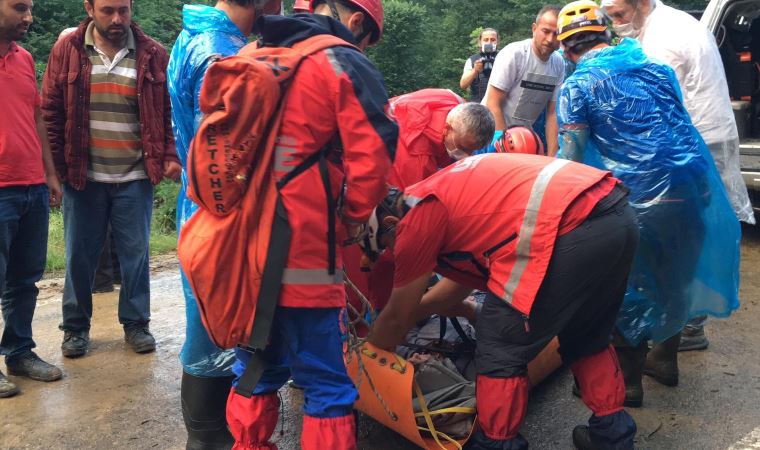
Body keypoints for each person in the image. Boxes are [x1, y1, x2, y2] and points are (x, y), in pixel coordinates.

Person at [366, 154, 639, 450]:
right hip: (615, 212)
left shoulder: (416, 220)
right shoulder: (431, 195)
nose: (394, 254)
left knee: (500, 347)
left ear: (391, 223)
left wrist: (367, 357)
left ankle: (496, 444)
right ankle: (612, 437)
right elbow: (457, 286)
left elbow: (396, 318)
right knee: (587, 333)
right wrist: (449, 310)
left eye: (385, 248)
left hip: (568, 226)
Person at [219, 1, 397, 448]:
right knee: (326, 384)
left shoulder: (248, 56)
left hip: (241, 252)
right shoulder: (341, 59)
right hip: (305, 254)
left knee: (254, 368)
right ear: (357, 22)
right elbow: (374, 155)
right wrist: (355, 219)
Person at [555, 0, 741, 407]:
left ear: (568, 50)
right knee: (674, 276)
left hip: (641, 198)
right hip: (692, 186)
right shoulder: (655, 69)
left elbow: (570, 158)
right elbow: (679, 124)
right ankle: (665, 360)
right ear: (606, 33)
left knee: (627, 285)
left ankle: (629, 381)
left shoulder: (577, 85)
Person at [601, 0, 755, 353]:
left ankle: (685, 326)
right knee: (690, 233)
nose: (618, 24)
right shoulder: (670, 23)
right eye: (611, 19)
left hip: (693, 143)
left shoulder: (662, 39)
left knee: (677, 237)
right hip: (703, 136)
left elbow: (651, 108)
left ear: (641, 3)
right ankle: (686, 323)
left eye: (620, 15)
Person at [42, 0, 181, 359]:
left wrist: (168, 155)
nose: (117, 19)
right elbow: (51, 112)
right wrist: (54, 170)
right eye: (108, 11)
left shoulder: (152, 53)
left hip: (134, 175)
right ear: (89, 8)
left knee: (135, 256)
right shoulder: (68, 49)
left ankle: (136, 324)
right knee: (78, 257)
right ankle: (74, 329)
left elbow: (167, 112)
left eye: (124, 10)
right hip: (82, 176)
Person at [168, 1, 279, 448]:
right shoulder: (222, 54)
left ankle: (211, 433)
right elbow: (228, 156)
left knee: (210, 323)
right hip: (222, 210)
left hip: (200, 202)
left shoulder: (197, 34)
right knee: (219, 327)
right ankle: (211, 435)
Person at [344, 91, 494, 314]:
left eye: (470, 150)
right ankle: (377, 325)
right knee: (379, 264)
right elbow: (405, 226)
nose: (464, 154)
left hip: (373, 159)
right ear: (448, 128)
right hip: (359, 187)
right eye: (461, 148)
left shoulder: (451, 103)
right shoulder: (414, 159)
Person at [0, 0, 64, 399]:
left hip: (32, 186)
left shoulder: (24, 59)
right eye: (19, 8)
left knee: (25, 280)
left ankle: (19, 352)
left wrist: (50, 174)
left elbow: (36, 117)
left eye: (30, 8)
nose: (29, 17)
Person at [482, 5, 564, 155]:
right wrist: (503, 144)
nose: (550, 39)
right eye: (545, 31)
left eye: (556, 34)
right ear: (534, 28)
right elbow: (493, 103)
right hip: (489, 133)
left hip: (522, 138)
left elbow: (552, 114)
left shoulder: (559, 63)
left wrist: (552, 157)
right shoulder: (514, 54)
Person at [460, 28, 498, 103]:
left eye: (493, 40)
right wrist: (475, 70)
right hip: (478, 105)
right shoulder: (472, 60)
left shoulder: (504, 57)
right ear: (480, 42)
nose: (489, 42)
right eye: (486, 40)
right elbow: (463, 85)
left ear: (497, 41)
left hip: (500, 104)